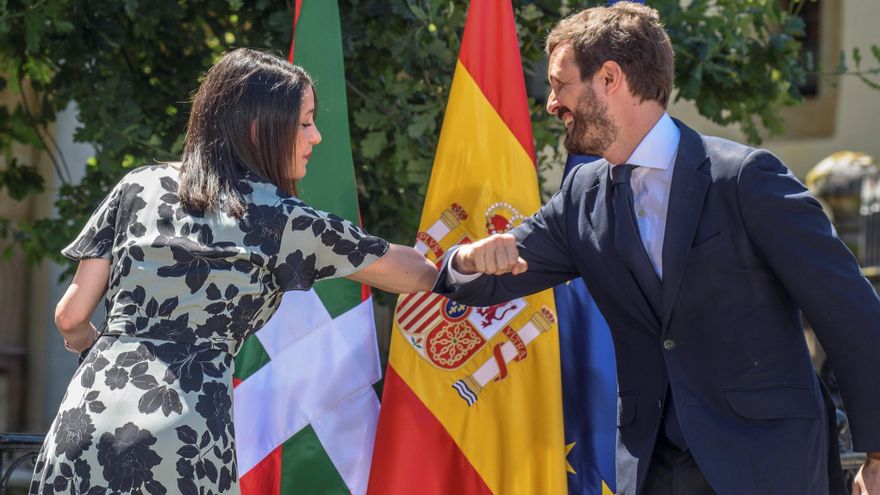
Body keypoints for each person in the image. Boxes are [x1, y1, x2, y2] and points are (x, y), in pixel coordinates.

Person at [434, 3, 880, 494]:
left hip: (768, 464)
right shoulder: (583, 195)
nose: (551, 103)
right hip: (652, 471)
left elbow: (851, 312)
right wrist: (464, 259)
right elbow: (487, 276)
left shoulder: (745, 178)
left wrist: (877, 452)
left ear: (609, 77)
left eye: (561, 85)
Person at [30, 48, 438, 494]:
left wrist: (98, 349)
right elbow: (414, 273)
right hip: (184, 432)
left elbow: (69, 316)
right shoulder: (282, 220)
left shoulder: (137, 186)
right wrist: (476, 259)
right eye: (304, 122)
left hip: (86, 416)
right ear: (259, 128)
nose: (316, 136)